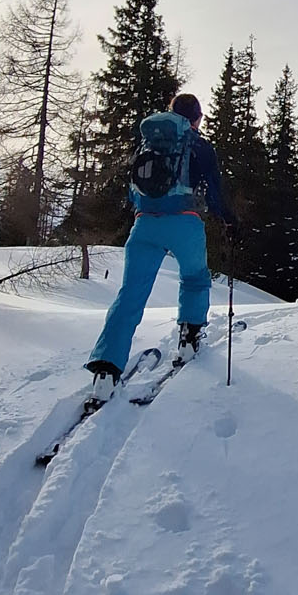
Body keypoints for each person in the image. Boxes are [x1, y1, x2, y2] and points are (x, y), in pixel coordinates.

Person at [85, 92, 236, 395]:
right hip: (185, 221)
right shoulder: (200, 146)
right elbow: (216, 192)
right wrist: (229, 220)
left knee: (130, 294)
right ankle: (189, 339)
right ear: (197, 119)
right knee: (194, 278)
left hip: (145, 224)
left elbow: (133, 187)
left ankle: (105, 369)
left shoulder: (147, 142)